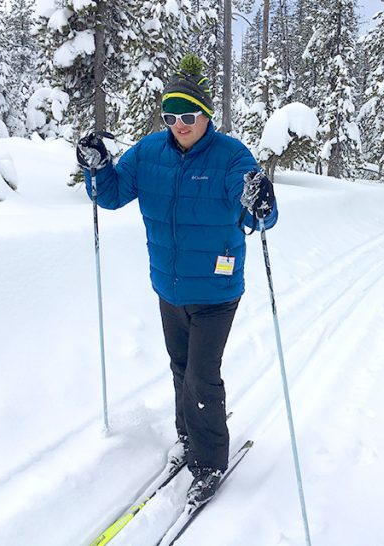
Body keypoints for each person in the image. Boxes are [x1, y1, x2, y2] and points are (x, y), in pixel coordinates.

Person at [75, 53, 278, 507]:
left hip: (216, 291)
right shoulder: (149, 152)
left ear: (206, 114)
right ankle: (187, 438)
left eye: (188, 115)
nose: (179, 124)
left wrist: (261, 200)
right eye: (171, 115)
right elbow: (110, 196)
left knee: (202, 377)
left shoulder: (231, 156)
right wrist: (98, 167)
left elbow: (257, 211)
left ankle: (209, 462)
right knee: (181, 369)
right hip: (168, 287)